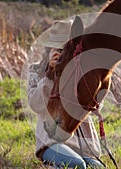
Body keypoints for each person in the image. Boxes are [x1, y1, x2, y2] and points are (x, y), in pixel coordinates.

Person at [27, 20, 105, 169]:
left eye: (66, 48)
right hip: (52, 141)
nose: (62, 53)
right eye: (58, 48)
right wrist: (50, 74)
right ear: (49, 48)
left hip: (83, 145)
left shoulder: (81, 69)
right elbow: (35, 104)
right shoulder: (37, 70)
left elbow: (95, 107)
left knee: (97, 168)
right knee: (76, 165)